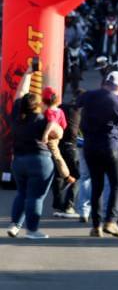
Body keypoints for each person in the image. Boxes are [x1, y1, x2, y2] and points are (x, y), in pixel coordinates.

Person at [7, 65, 61, 239]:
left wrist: (28, 73)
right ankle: (32, 230)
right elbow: (58, 132)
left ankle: (15, 225)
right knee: (35, 197)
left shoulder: (17, 115)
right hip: (40, 161)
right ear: (38, 105)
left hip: (18, 161)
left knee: (22, 193)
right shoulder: (42, 119)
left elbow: (20, 93)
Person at [78, 71, 118, 237]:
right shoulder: (116, 103)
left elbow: (76, 104)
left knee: (97, 186)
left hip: (89, 146)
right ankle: (111, 222)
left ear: (105, 83)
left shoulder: (89, 95)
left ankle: (96, 226)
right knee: (117, 184)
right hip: (109, 146)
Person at [52, 89, 84, 218]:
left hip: (58, 145)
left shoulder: (61, 107)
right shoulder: (80, 111)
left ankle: (58, 204)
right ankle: (69, 206)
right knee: (76, 176)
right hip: (71, 147)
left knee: (58, 175)